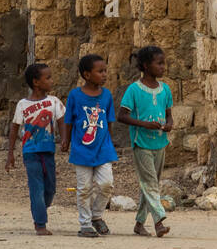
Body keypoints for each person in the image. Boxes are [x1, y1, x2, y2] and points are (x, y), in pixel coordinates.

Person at [118, 45, 174, 237]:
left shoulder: (165, 89)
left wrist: (169, 125)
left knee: (149, 183)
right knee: (150, 183)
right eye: (159, 63)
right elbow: (122, 116)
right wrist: (143, 124)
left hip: (160, 143)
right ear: (145, 65)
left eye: (163, 63)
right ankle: (159, 220)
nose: (162, 67)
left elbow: (169, 116)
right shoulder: (134, 89)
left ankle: (139, 223)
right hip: (141, 142)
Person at [60, 54, 118, 238]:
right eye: (100, 71)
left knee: (106, 183)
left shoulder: (107, 95)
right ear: (86, 74)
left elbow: (109, 121)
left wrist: (108, 141)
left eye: (105, 71)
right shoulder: (75, 96)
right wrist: (66, 140)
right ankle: (85, 223)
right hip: (82, 149)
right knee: (84, 188)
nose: (104, 75)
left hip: (103, 148)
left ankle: (97, 216)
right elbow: (69, 120)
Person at [5, 62, 65, 236]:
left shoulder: (54, 102)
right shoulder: (23, 105)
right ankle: (40, 223)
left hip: (48, 151)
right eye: (48, 77)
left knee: (50, 188)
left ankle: (39, 208)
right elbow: (15, 127)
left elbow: (62, 121)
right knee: (36, 187)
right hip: (30, 152)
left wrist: (64, 139)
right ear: (36, 82)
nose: (52, 81)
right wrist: (10, 153)